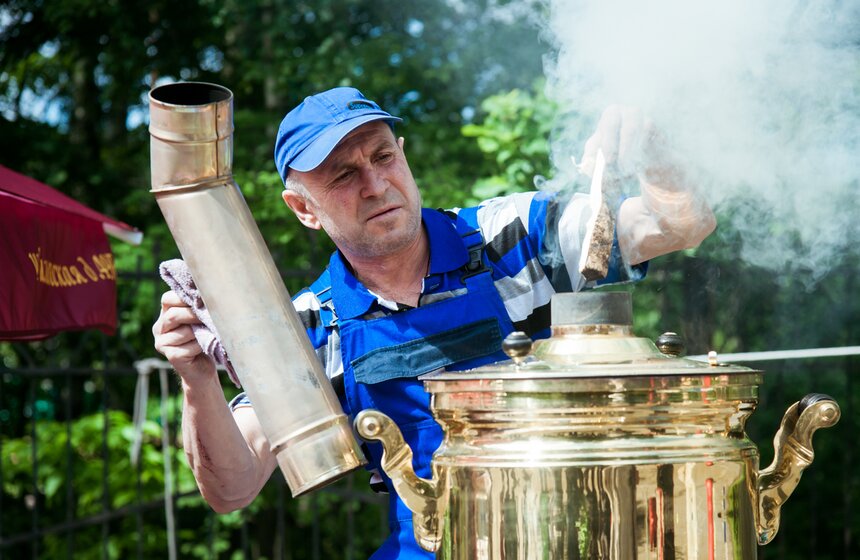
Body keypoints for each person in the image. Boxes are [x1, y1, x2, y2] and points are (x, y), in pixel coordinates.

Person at [153, 87, 716, 559]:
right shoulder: (308, 327)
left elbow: (682, 226)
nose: (374, 185)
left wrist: (654, 149)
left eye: (381, 157)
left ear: (403, 155)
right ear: (303, 209)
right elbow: (232, 489)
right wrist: (196, 378)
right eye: (343, 176)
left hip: (566, 538)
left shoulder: (513, 236)